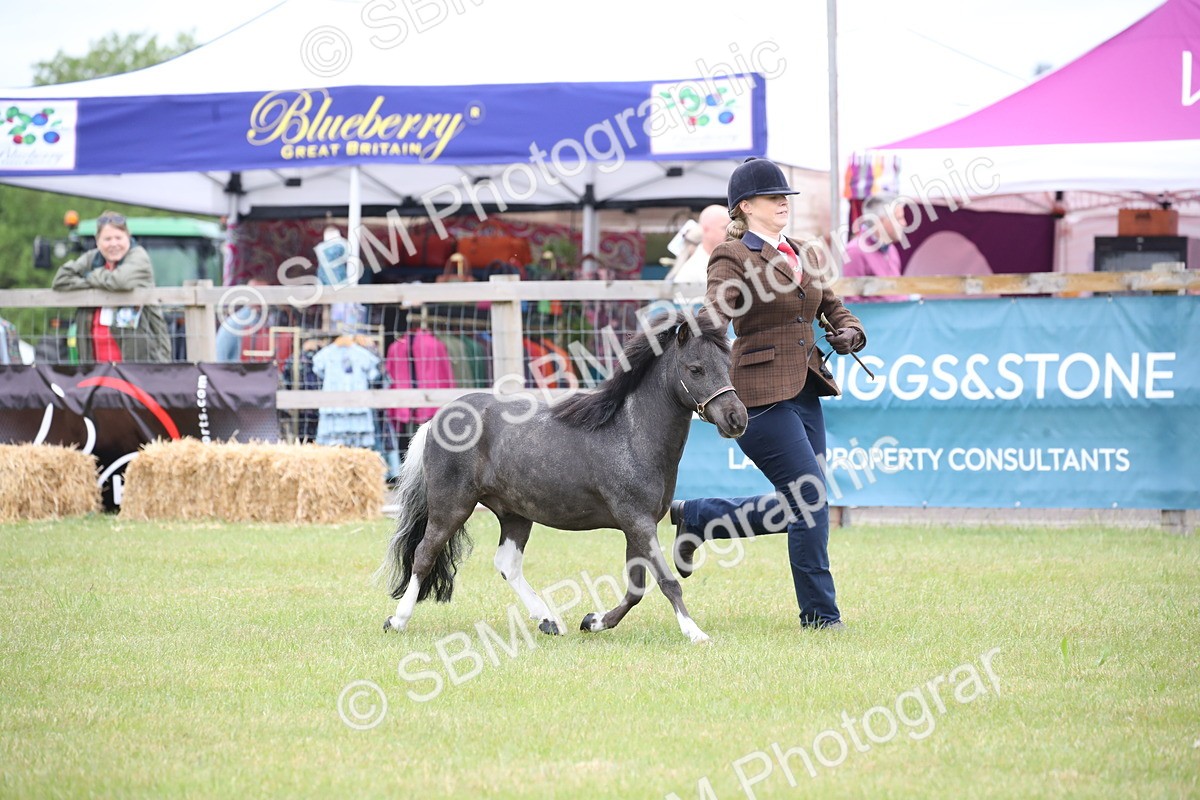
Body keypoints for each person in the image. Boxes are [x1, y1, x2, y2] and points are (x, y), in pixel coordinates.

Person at [669, 157, 866, 631]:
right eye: (773, 197)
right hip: (756, 395)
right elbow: (716, 309)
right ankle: (821, 617)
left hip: (806, 390)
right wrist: (703, 328)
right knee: (811, 498)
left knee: (802, 503)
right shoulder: (733, 256)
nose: (783, 203)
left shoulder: (806, 253)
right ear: (745, 206)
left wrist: (850, 334)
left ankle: (700, 517)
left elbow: (836, 309)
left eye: (786, 197)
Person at [51, 211, 171, 363]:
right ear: (97, 241)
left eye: (118, 238)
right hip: (95, 363)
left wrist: (90, 276)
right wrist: (94, 283)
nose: (113, 244)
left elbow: (121, 281)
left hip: (139, 364)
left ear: (128, 237)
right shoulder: (93, 257)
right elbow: (61, 279)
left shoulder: (139, 257)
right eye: (107, 239)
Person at [842, 195, 908, 303]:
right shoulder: (855, 252)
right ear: (881, 221)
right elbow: (850, 305)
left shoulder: (891, 250)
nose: (904, 223)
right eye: (899, 218)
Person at [666, 204, 732, 284]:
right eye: (724, 227)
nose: (730, 232)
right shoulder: (690, 272)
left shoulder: (733, 259)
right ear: (706, 229)